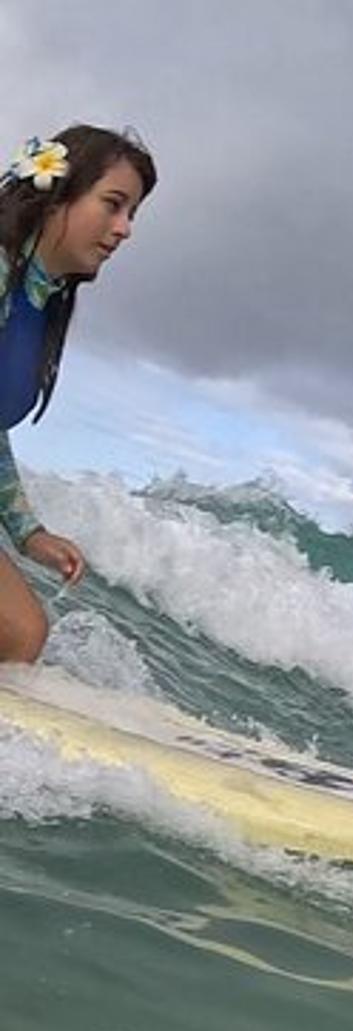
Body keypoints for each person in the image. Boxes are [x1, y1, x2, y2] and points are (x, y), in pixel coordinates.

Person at [0, 126, 157, 663]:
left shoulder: (38, 300)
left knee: (20, 635)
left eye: (131, 213)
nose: (125, 230)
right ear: (56, 195)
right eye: (113, 205)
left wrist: (27, 531)